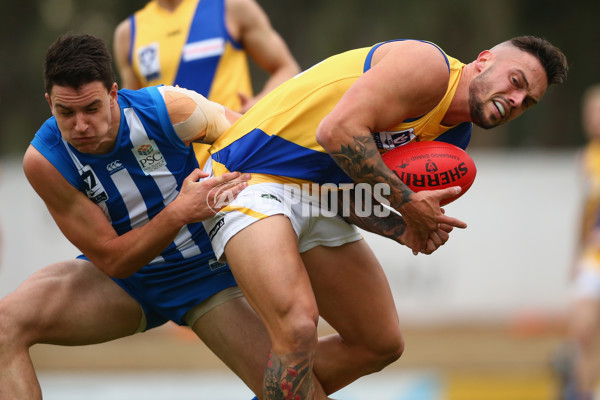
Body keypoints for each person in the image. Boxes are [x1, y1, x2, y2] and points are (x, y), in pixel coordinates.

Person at [200, 36, 569, 399]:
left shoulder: (455, 138)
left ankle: (280, 391)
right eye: (516, 82)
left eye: (528, 102)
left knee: (380, 343)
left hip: (315, 195)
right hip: (243, 175)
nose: (517, 100)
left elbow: (348, 194)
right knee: (298, 328)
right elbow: (336, 131)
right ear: (485, 60)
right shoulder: (428, 67)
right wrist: (408, 203)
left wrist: (401, 228)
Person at [0, 33, 267, 400]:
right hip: (123, 283)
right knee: (4, 326)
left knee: (292, 386)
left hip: (202, 275)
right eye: (66, 112)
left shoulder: (172, 109)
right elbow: (113, 258)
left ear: (113, 94)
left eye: (92, 108)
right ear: (49, 102)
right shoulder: (43, 161)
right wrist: (178, 211)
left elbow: (261, 148)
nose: (80, 126)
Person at [113, 0, 300, 114]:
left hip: (236, 153)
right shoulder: (128, 33)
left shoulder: (231, 7)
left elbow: (286, 68)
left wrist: (258, 103)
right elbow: (133, 110)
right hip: (179, 168)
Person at [556, 85, 600, 400]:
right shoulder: (586, 157)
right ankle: (579, 391)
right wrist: (577, 253)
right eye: (591, 113)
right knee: (582, 333)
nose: (594, 119)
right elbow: (585, 210)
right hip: (594, 256)